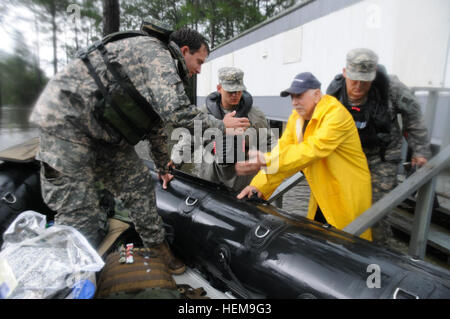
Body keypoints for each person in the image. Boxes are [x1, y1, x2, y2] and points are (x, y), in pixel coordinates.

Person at [29, 22, 250, 275]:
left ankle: (157, 249)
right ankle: (66, 277)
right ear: (185, 50)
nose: (199, 70)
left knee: (140, 187)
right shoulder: (156, 54)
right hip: (66, 127)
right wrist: (221, 125)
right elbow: (176, 112)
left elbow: (155, 123)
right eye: (199, 61)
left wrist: (161, 165)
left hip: (106, 135)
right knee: (82, 214)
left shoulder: (161, 69)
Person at [236, 72, 373, 240]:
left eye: (299, 96)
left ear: (316, 95)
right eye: (292, 97)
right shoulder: (297, 118)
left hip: (347, 191)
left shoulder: (336, 114)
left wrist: (266, 160)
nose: (294, 103)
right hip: (323, 190)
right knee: (322, 238)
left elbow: (312, 149)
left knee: (350, 242)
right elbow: (283, 151)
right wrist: (258, 187)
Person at [326, 48, 432, 244]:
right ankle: (348, 249)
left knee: (375, 212)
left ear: (373, 75)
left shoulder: (392, 88)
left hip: (382, 157)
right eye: (354, 80)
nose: (358, 87)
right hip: (350, 158)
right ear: (344, 72)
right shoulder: (334, 92)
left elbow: (414, 116)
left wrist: (420, 150)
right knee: (346, 206)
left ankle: (380, 253)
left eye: (364, 82)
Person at [171, 67, 272, 191]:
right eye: (230, 91)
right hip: (210, 179)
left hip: (242, 183)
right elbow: (188, 140)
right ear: (219, 88)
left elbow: (269, 143)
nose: (235, 95)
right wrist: (174, 162)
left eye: (238, 91)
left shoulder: (255, 115)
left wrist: (258, 158)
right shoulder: (204, 114)